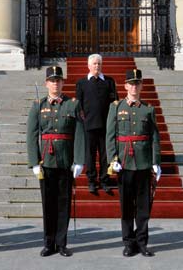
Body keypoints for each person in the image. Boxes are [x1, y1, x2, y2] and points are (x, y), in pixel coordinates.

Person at [27, 66, 85, 257]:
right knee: (48, 204)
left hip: (65, 160)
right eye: (52, 80)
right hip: (46, 160)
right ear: (46, 83)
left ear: (63, 83)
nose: (55, 83)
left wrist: (79, 160)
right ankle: (48, 243)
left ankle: (61, 243)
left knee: (63, 203)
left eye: (58, 80)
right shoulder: (38, 105)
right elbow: (32, 135)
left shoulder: (73, 105)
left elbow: (79, 134)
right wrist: (34, 162)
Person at [106, 68, 160, 257]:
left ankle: (142, 242)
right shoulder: (116, 107)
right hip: (125, 162)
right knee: (127, 206)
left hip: (143, 163)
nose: (134, 87)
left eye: (137, 83)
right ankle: (129, 242)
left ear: (141, 86)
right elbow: (110, 136)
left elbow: (154, 137)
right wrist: (113, 159)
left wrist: (155, 161)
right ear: (126, 86)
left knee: (144, 206)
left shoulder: (148, 108)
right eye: (131, 83)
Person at [75, 53, 117, 195]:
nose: (97, 66)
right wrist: (83, 121)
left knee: (105, 155)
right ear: (88, 65)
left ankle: (105, 180)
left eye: (99, 63)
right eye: (94, 64)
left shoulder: (109, 82)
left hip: (106, 126)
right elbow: (79, 105)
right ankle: (92, 181)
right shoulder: (82, 83)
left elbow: (114, 103)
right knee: (90, 156)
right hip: (89, 126)